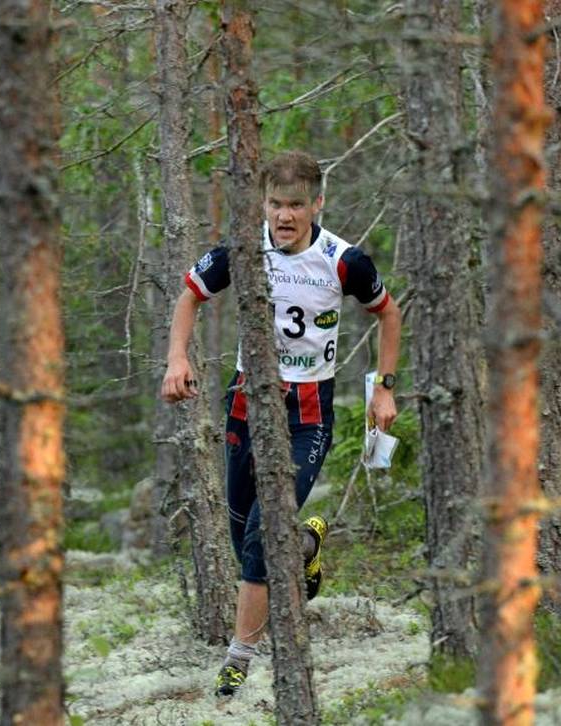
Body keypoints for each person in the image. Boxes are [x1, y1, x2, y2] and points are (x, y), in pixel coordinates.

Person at [160, 150, 402, 697]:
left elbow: (389, 312)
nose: (284, 216)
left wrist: (384, 389)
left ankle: (238, 660)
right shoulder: (245, 251)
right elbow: (188, 297)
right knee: (240, 525)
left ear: (317, 204)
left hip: (309, 412)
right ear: (263, 204)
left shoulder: (344, 260)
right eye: (275, 204)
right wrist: (178, 358)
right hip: (247, 403)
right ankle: (306, 550)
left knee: (261, 536)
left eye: (296, 205)